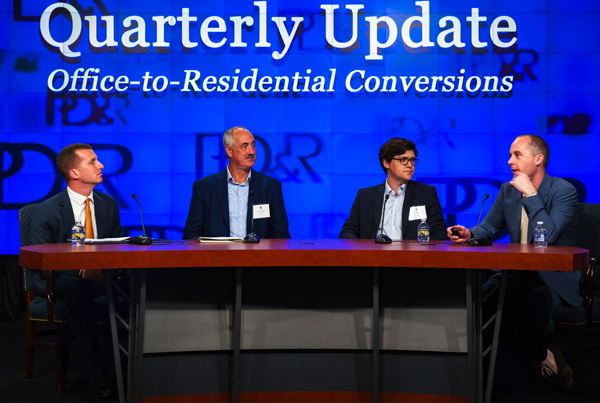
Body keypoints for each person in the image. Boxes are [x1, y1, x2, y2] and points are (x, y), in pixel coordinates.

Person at [447, 134, 579, 390]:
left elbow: (547, 236)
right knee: (482, 304)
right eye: (510, 155)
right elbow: (489, 227)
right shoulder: (508, 190)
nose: (510, 161)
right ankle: (543, 355)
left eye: (517, 155)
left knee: (530, 303)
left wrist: (531, 195)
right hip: (515, 273)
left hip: (552, 276)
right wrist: (470, 233)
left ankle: (548, 361)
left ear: (538, 159)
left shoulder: (564, 191)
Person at [31, 143, 123, 398]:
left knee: (137, 286)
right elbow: (42, 263)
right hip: (60, 279)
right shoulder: (47, 210)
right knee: (78, 289)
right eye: (92, 161)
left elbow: (117, 247)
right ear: (73, 172)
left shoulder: (108, 204)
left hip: (103, 276)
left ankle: (132, 363)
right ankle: (99, 368)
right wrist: (83, 273)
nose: (101, 165)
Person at [183, 126, 290, 240]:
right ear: (229, 150)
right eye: (244, 146)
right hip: (217, 256)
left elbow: (281, 234)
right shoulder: (204, 187)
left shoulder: (271, 186)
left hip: (258, 256)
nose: (251, 151)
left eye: (253, 145)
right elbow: (191, 234)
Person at [339, 137, 447, 240]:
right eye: (403, 160)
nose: (410, 165)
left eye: (412, 160)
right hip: (373, 255)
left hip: (411, 256)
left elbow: (439, 233)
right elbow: (348, 231)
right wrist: (360, 252)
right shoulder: (365, 195)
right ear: (386, 163)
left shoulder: (426, 193)